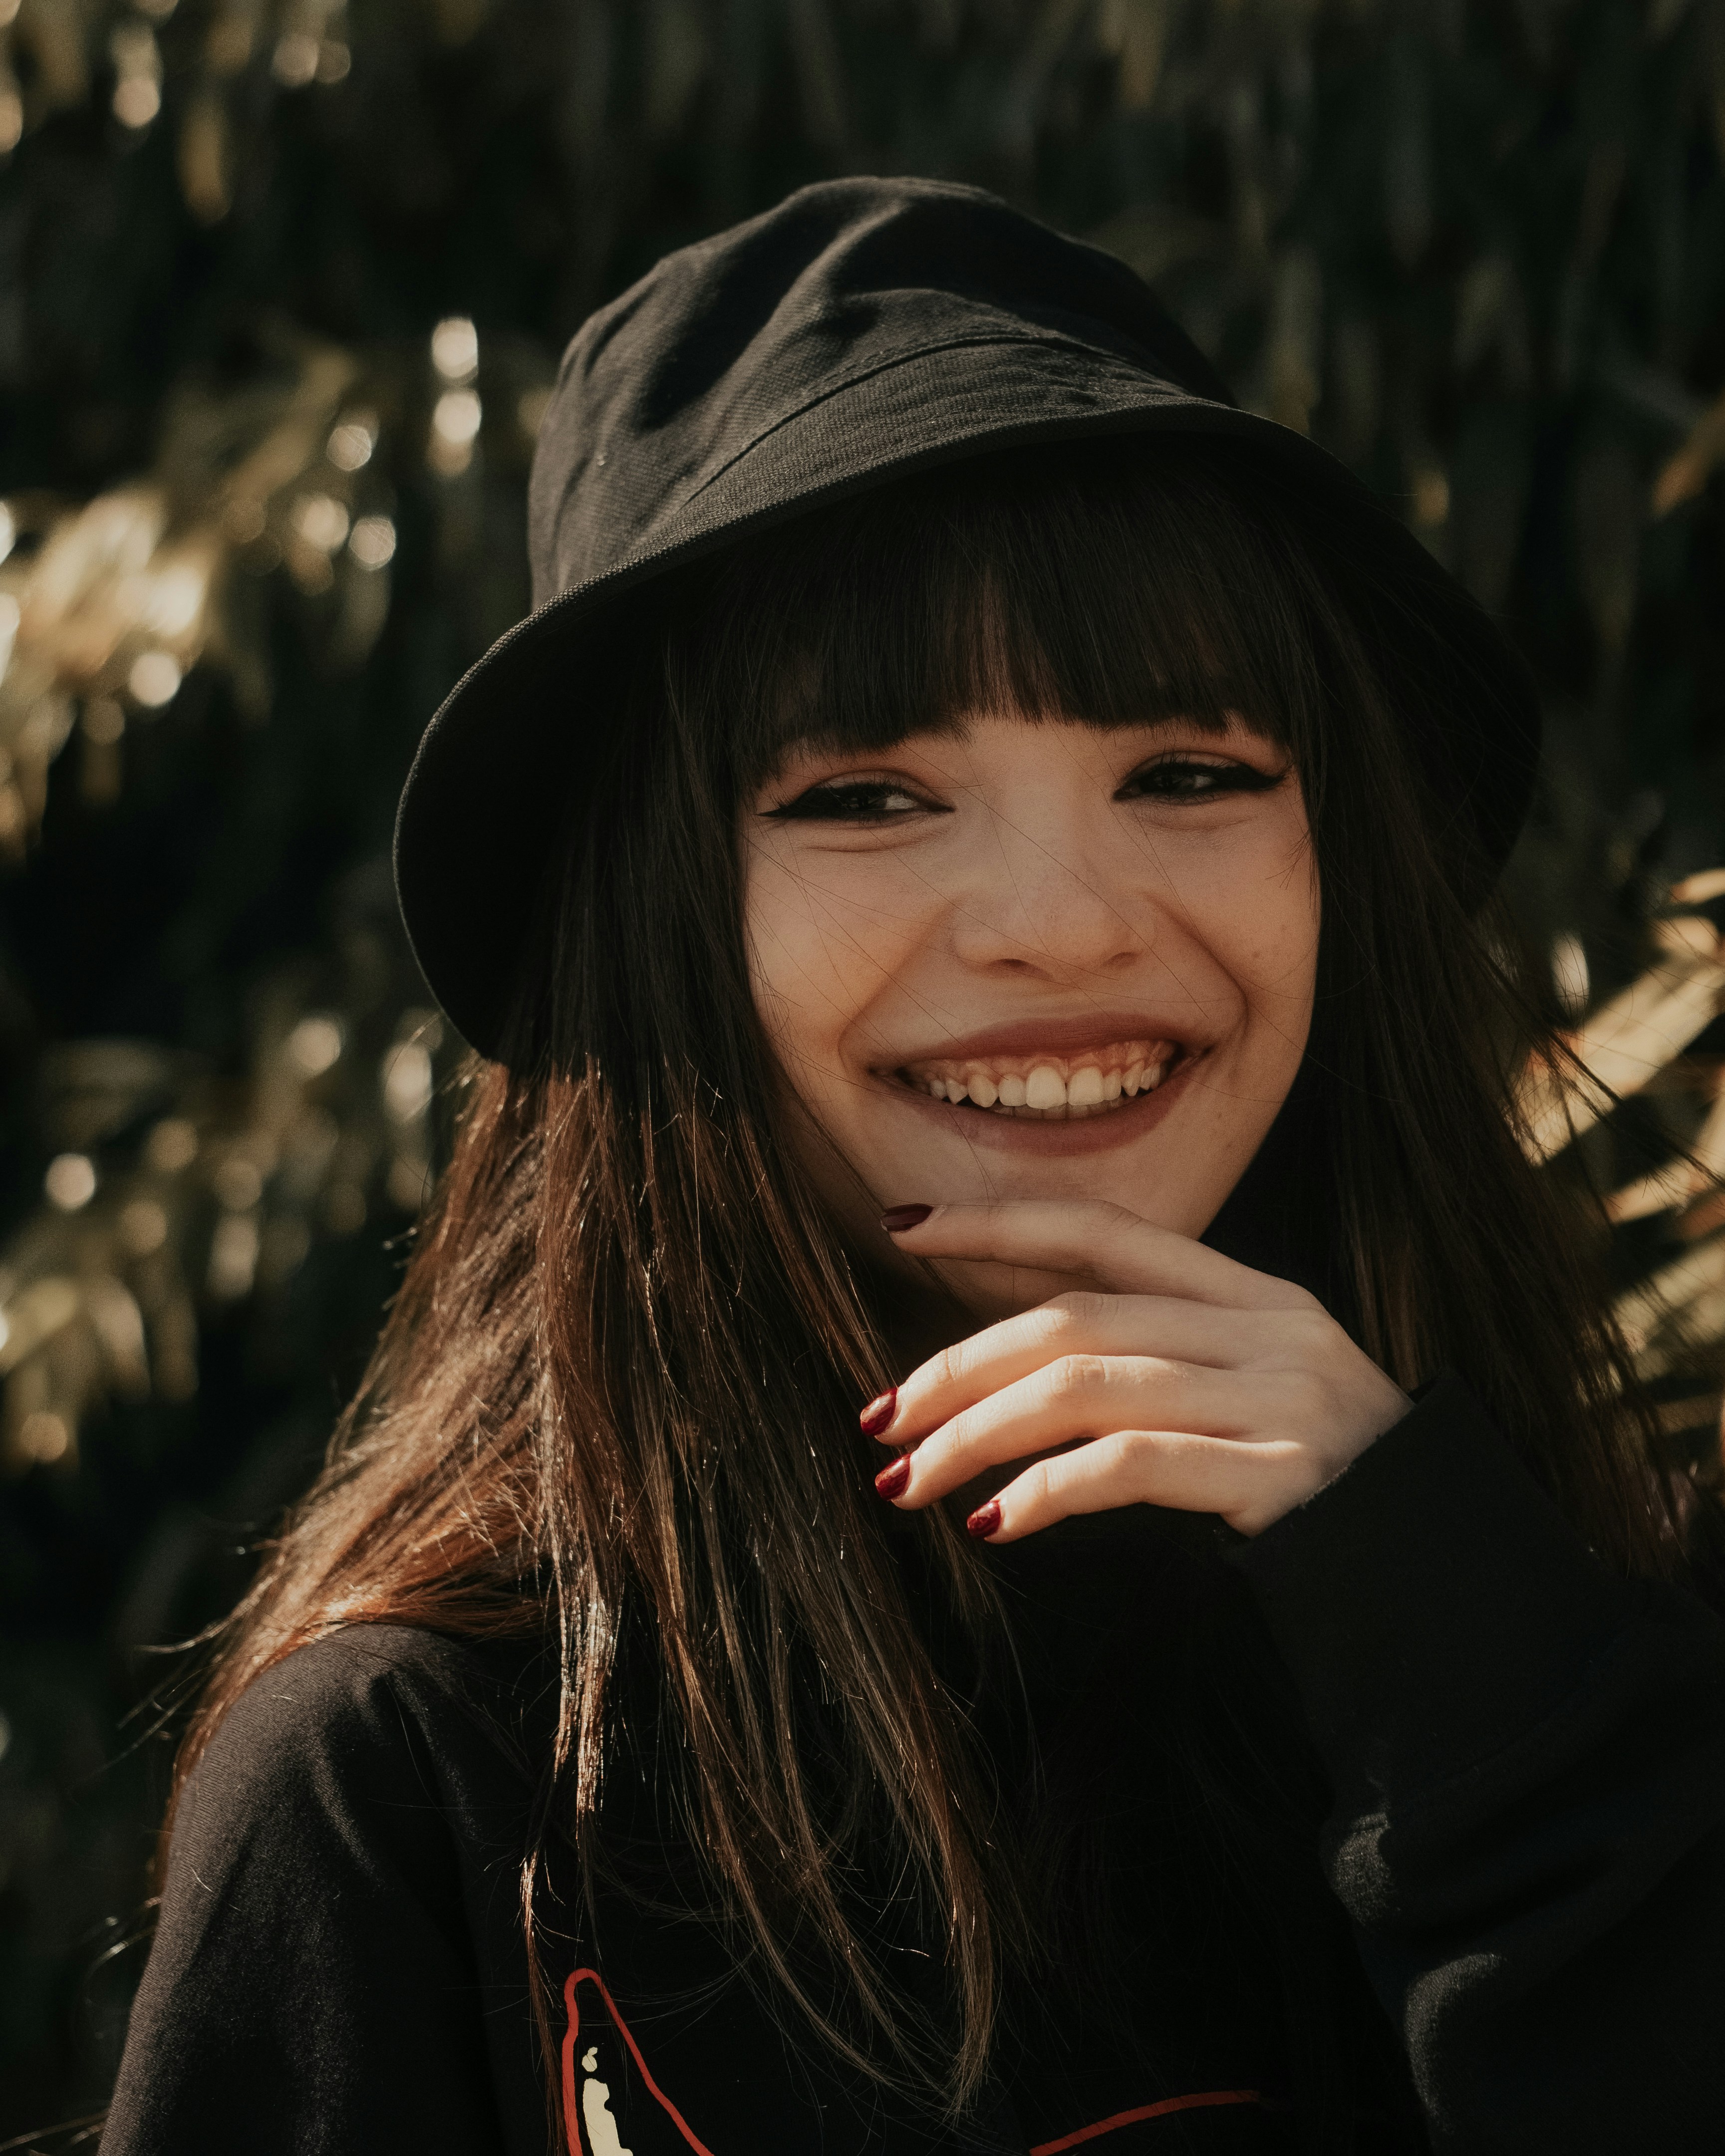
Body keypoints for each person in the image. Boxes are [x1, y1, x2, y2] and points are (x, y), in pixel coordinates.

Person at [102, 179, 1725, 2156]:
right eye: (867, 796)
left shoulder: (1583, 1652)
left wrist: (1476, 1678)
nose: (1058, 920)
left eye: (1193, 773)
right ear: (659, 927)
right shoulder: (430, 1789)